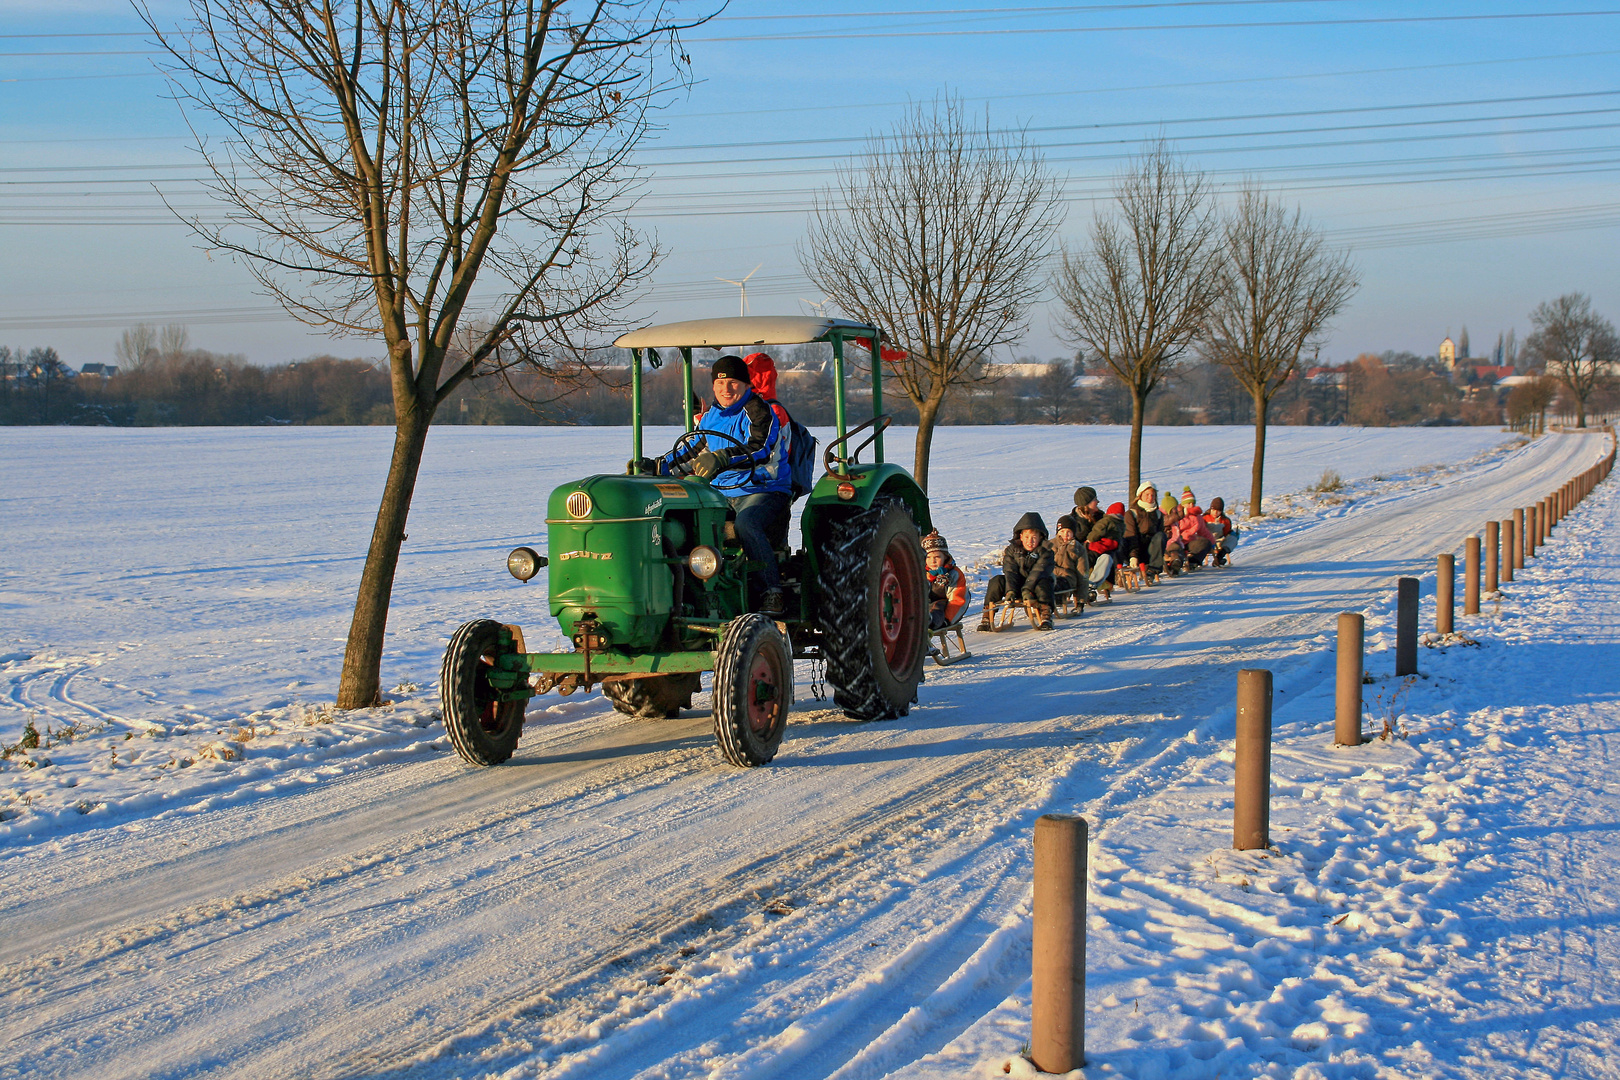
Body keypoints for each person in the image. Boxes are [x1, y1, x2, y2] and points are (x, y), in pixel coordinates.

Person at [660, 355, 792, 614]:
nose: (726, 389)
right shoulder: (712, 416)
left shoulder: (759, 411)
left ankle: (771, 591)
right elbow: (693, 450)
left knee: (746, 523)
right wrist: (657, 466)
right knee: (682, 523)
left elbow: (760, 449)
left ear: (745, 384)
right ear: (713, 386)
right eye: (720, 384)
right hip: (720, 493)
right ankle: (687, 593)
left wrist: (722, 457)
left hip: (762, 489)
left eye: (732, 382)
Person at [979, 512, 1056, 632]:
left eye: (1034, 538)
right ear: (1020, 537)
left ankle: (1046, 614)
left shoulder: (1046, 551)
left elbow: (1038, 571)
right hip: (1016, 584)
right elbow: (1010, 571)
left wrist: (1027, 590)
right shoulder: (1011, 550)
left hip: (1035, 584)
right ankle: (987, 616)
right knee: (997, 580)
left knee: (1044, 583)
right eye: (1026, 537)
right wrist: (1010, 591)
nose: (1030, 541)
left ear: (1041, 537)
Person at [923, 531, 970, 630]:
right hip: (922, 606)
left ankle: (929, 622)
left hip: (942, 612)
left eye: (937, 557)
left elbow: (958, 600)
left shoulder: (953, 574)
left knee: (937, 606)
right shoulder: (920, 572)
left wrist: (947, 620)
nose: (933, 561)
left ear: (945, 557)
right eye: (928, 557)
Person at [1124, 481, 1166, 578]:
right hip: (1134, 549)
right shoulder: (1132, 513)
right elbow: (1131, 536)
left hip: (1152, 551)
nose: (1150, 498)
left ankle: (1153, 569)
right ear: (1140, 495)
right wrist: (1133, 556)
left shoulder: (1158, 514)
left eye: (1153, 495)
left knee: (1160, 536)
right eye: (1147, 495)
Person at [1087, 503, 1126, 600]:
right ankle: (1092, 585)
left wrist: (1090, 539)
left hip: (1097, 546)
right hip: (1110, 549)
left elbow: (1097, 530)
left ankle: (1088, 584)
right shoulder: (1121, 524)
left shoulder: (1106, 521)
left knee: (1088, 559)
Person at [1052, 514, 1086, 610]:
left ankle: (1052, 602)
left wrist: (1081, 600)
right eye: (1062, 531)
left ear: (1074, 533)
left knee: (1055, 584)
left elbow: (1083, 573)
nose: (1065, 535)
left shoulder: (1077, 548)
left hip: (1068, 578)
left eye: (1069, 532)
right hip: (1051, 576)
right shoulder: (1050, 545)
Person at [1204, 497, 1238, 566]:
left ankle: (1219, 557)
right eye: (1213, 510)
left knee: (1233, 538)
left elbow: (1226, 533)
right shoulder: (1204, 518)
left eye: (1218, 511)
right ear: (1210, 509)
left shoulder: (1225, 520)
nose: (1215, 513)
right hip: (1206, 541)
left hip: (1219, 542)